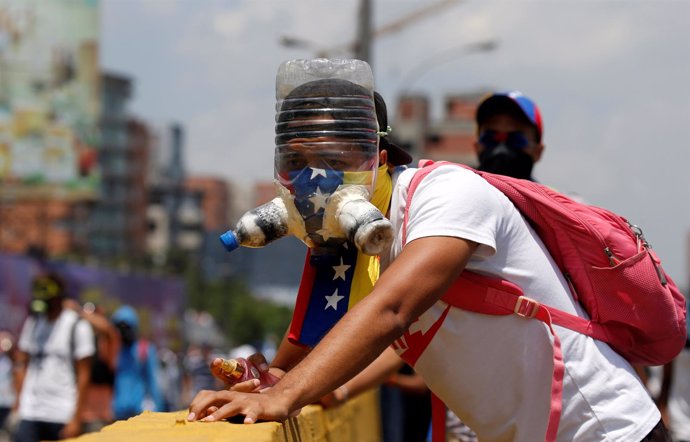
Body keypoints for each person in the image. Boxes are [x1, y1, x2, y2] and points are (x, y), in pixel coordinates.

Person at [188, 65, 667, 441]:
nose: (316, 181)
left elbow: (392, 310)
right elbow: (302, 356)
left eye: (335, 161)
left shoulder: (447, 196)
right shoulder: (352, 249)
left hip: (606, 431)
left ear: (379, 157)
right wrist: (262, 379)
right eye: (296, 162)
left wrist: (285, 395)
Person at [13, 272, 95, 442]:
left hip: (62, 412)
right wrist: (20, 400)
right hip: (31, 411)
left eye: (46, 292)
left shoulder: (77, 326)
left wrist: (76, 418)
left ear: (58, 295)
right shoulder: (34, 323)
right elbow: (22, 362)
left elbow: (84, 374)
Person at [111, 305, 165, 420]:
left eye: (126, 327)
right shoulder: (114, 350)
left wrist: (159, 410)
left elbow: (153, 381)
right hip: (117, 411)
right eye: (119, 327)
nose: (123, 332)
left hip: (139, 411)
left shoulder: (144, 349)